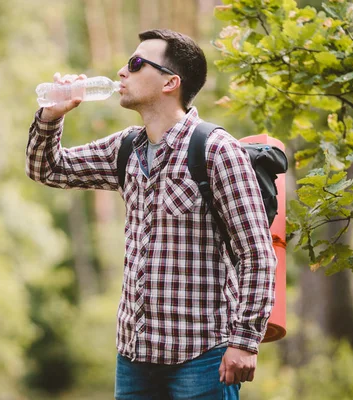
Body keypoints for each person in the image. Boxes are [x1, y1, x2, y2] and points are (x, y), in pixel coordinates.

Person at [26, 29, 277, 400]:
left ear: (170, 83)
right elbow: (47, 169)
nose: (122, 72)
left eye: (136, 63)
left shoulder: (216, 151)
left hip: (202, 358)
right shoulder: (126, 147)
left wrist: (245, 341)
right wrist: (51, 116)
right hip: (133, 360)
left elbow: (256, 253)